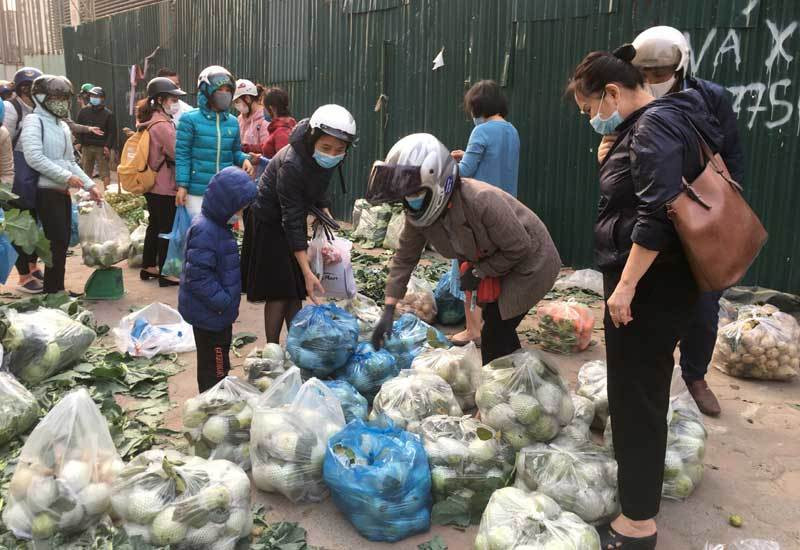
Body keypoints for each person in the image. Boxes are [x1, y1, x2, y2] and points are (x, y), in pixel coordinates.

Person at [568, 45, 724, 548]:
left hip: (648, 286)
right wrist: (614, 149)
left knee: (636, 397)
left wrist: (627, 286)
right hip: (670, 283)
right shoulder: (679, 114)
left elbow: (656, 212)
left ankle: (637, 525)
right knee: (646, 393)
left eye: (591, 109)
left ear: (612, 93)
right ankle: (640, 497)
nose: (591, 119)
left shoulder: (652, 125)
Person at [624, 25, 742, 417]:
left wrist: (720, 210)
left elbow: (732, 161)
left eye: (661, 74)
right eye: (647, 75)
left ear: (681, 65)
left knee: (704, 308)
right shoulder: (636, 100)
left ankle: (695, 375)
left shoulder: (711, 99)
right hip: (656, 219)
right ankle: (652, 376)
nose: (653, 82)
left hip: (701, 218)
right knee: (646, 301)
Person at [368, 133, 560, 364]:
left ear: (439, 181)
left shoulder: (481, 200)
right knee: (497, 327)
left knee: (495, 330)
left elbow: (518, 247)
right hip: (500, 261)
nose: (412, 199)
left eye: (416, 192)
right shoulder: (418, 215)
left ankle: (505, 383)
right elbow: (404, 258)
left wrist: (480, 271)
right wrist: (389, 308)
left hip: (532, 263)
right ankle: (515, 377)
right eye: (406, 194)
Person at [244, 104, 357, 343]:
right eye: (326, 147)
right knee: (280, 288)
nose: (332, 154)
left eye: (339, 150)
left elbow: (319, 186)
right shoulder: (293, 165)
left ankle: (296, 344)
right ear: (312, 139)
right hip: (268, 220)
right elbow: (292, 219)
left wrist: (326, 220)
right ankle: (272, 349)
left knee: (294, 289)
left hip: (288, 219)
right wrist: (307, 270)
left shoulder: (326, 158)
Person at [449, 79, 520, 347]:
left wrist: (446, 164)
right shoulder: (512, 131)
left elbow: (464, 173)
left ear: (477, 106)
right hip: (507, 210)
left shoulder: (481, 132)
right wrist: (466, 154)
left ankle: (472, 329)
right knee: (493, 271)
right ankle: (487, 324)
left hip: (479, 213)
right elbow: (496, 164)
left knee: (469, 269)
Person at [21, 75, 103, 295]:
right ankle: (52, 290)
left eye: (65, 98)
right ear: (40, 98)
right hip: (45, 191)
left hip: (62, 191)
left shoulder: (62, 126)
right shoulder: (33, 121)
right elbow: (34, 157)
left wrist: (89, 185)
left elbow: (69, 161)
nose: (62, 103)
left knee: (62, 242)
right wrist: (65, 177)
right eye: (57, 97)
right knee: (55, 241)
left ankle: (58, 288)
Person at [178, 166, 257, 392]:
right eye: (239, 208)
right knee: (216, 368)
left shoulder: (217, 226)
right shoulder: (206, 230)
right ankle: (212, 407)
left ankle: (215, 398)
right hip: (212, 315)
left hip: (216, 315)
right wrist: (223, 302)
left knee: (216, 363)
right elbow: (197, 276)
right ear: (226, 204)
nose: (240, 213)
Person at [174, 65, 255, 219]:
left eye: (228, 91)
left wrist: (244, 159)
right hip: (197, 192)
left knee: (222, 235)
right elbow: (182, 155)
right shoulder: (189, 120)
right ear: (207, 92)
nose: (224, 94)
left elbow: (234, 152)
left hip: (224, 190)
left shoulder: (232, 122)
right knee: (200, 236)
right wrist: (182, 186)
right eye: (220, 90)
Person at [135, 77, 186, 287]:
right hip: (164, 184)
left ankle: (149, 265)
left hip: (153, 184)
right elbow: (177, 152)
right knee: (166, 228)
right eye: (172, 98)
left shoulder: (153, 121)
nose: (176, 102)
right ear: (160, 100)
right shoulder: (162, 126)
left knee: (155, 225)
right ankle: (166, 273)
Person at [4, 66, 44, 293]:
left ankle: (32, 266)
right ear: (19, 89)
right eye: (25, 87)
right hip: (16, 174)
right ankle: (23, 276)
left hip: (33, 172)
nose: (29, 91)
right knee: (20, 224)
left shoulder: (40, 108)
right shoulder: (12, 109)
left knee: (35, 222)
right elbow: (4, 142)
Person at [76, 86, 116, 189]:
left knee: (104, 172)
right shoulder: (83, 112)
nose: (94, 98)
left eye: (96, 96)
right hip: (86, 146)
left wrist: (108, 146)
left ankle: (107, 193)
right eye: (92, 96)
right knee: (86, 172)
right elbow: (78, 127)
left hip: (101, 147)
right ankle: (87, 194)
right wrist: (79, 142)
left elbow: (112, 132)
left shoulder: (108, 114)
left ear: (103, 98)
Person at [233, 79, 269, 155]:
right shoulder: (239, 120)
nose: (235, 105)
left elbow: (267, 150)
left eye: (237, 101)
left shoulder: (265, 120)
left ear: (247, 99)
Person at [259, 86, 296, 158]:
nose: (262, 110)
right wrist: (246, 147)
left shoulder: (281, 132)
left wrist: (262, 161)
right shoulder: (283, 126)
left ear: (271, 108)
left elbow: (283, 162)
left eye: (263, 107)